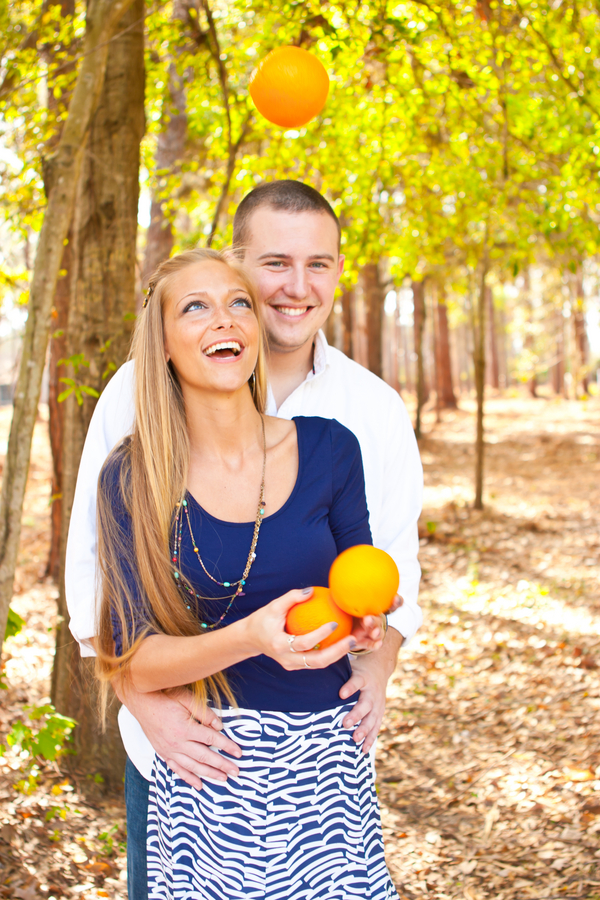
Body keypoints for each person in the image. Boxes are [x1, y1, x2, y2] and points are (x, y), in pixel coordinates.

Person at [66, 180, 423, 898]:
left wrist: (378, 657)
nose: (297, 287)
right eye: (274, 265)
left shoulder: (366, 415)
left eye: (319, 264)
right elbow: (96, 591)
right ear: (239, 265)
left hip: (321, 757)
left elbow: (386, 574)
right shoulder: (136, 406)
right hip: (188, 748)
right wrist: (145, 702)